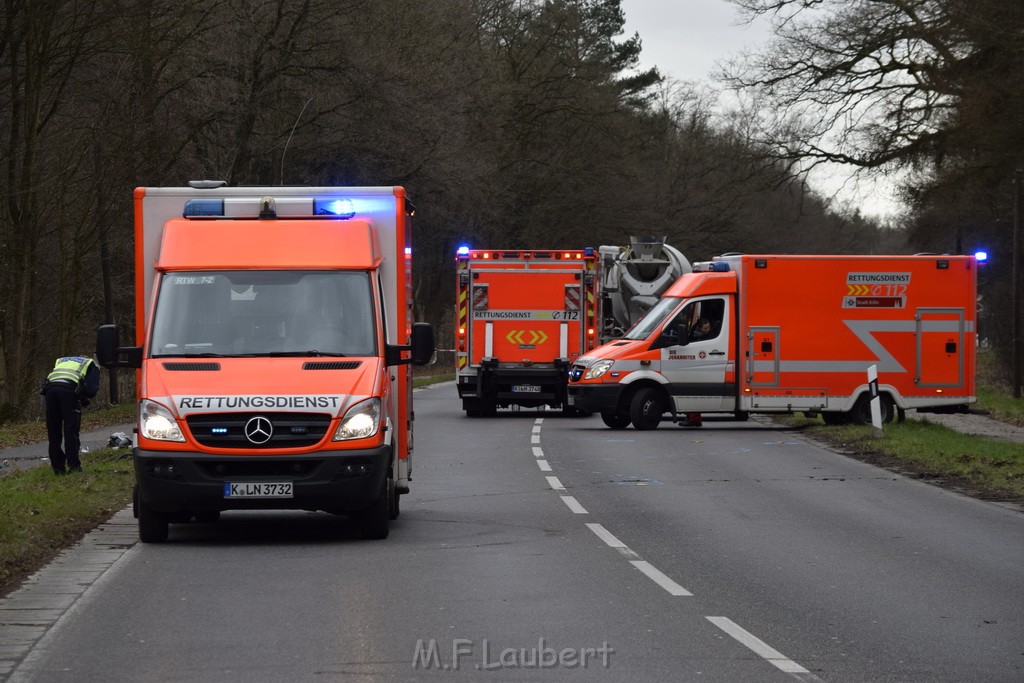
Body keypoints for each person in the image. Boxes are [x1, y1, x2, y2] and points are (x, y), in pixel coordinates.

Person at [42, 355, 100, 475]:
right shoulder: (90, 364)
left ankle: (58, 469)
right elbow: (91, 389)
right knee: (71, 430)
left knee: (53, 431)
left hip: (50, 391)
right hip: (68, 391)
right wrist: (84, 399)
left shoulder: (62, 360)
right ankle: (74, 467)